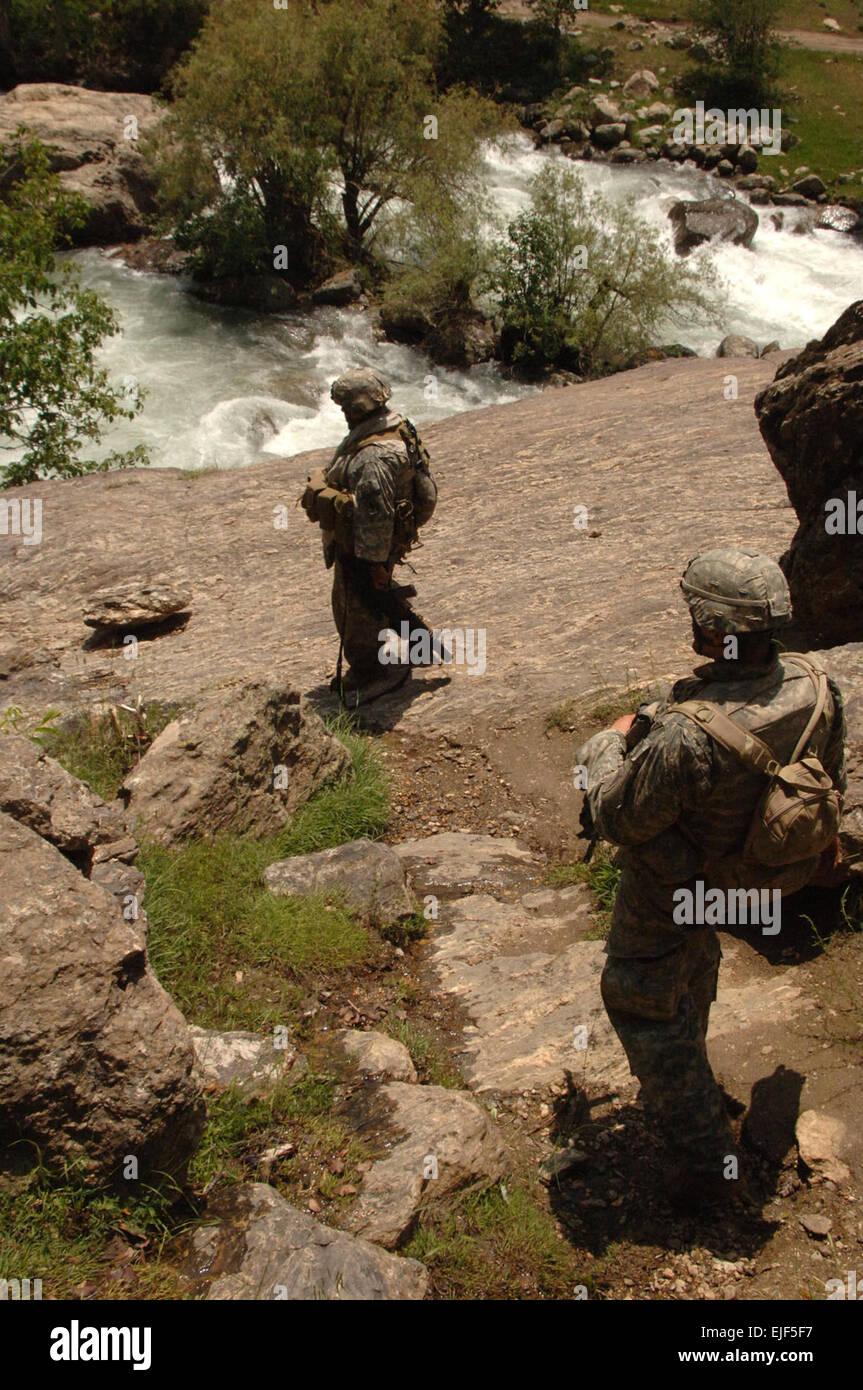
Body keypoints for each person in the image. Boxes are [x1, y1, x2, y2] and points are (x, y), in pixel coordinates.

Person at [575, 548, 846, 1209]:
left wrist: (606, 742)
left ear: (713, 629)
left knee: (638, 998)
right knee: (692, 959)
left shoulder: (682, 740)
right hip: (759, 877)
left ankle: (706, 1162)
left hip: (678, 888)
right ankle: (691, 1070)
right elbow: (832, 780)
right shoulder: (816, 685)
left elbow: (615, 817)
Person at [302, 368, 439, 703]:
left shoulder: (373, 457)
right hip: (382, 539)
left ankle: (369, 671)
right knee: (375, 597)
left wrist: (376, 562)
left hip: (365, 546)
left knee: (353, 608)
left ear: (355, 409)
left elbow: (375, 514)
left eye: (345, 407)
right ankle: (422, 645)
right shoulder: (398, 426)